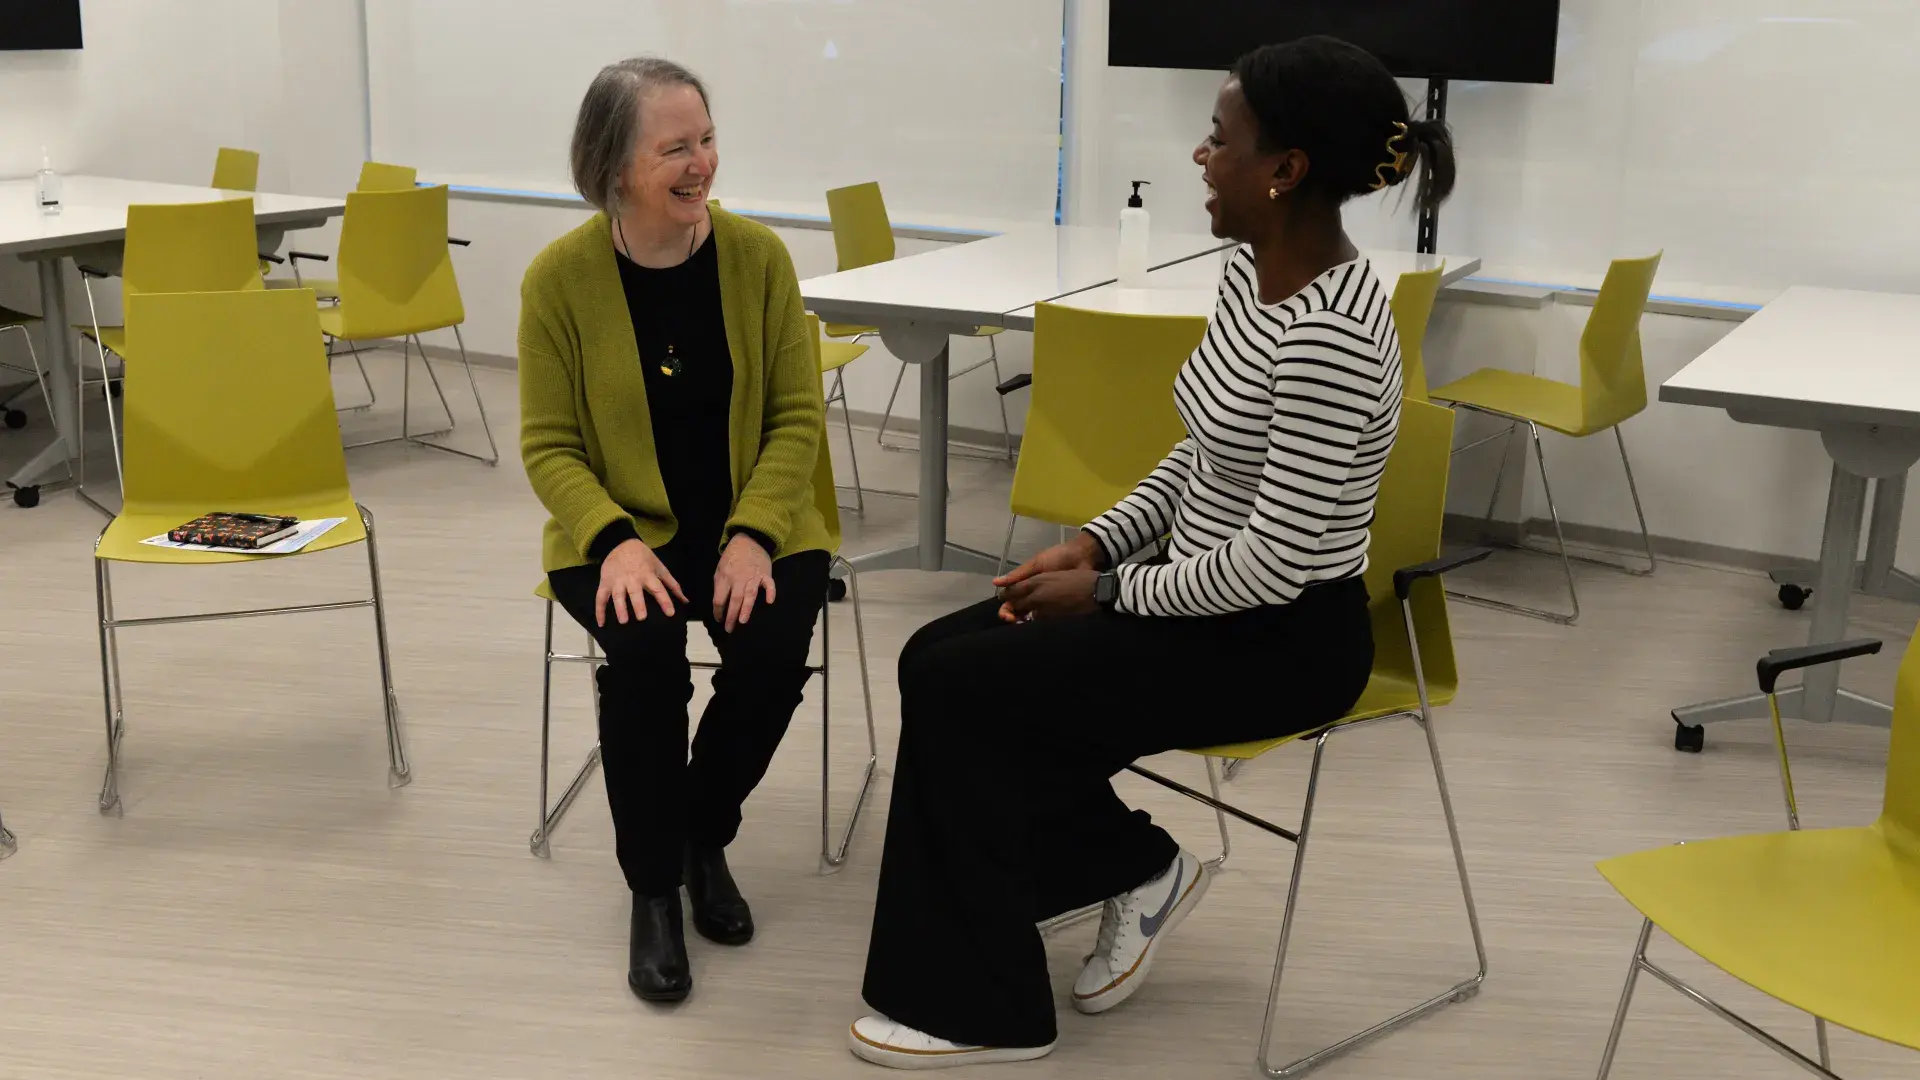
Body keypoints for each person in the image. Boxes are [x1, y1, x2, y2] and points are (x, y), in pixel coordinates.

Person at [847, 36, 1456, 1068]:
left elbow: (1270, 564)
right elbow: (1200, 455)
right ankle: (1130, 868)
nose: (1201, 158)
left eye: (1221, 139)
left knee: (968, 688)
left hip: (1281, 641)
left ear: (1284, 169)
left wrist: (1108, 593)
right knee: (935, 660)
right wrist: (1092, 538)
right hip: (1196, 606)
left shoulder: (1336, 337)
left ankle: (985, 1009)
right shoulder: (1248, 280)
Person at [519, 57, 828, 1004]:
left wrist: (754, 533)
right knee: (647, 659)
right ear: (616, 166)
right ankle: (654, 889)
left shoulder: (758, 259)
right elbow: (548, 446)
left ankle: (702, 834)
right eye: (676, 148)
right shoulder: (559, 280)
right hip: (621, 532)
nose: (702, 164)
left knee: (773, 651)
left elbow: (794, 419)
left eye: (707, 139)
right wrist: (611, 539)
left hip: (754, 518)